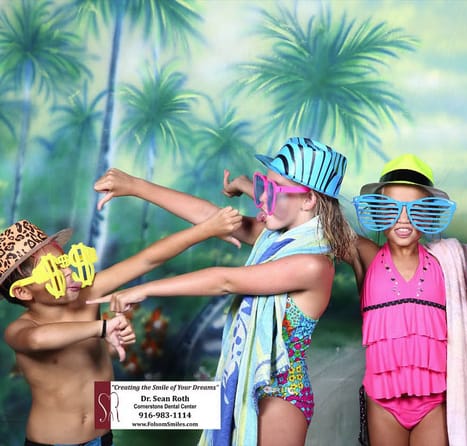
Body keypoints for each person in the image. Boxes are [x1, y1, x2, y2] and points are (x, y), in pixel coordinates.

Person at [89, 137, 355, 446]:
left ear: (308, 200)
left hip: (281, 396)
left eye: (273, 190)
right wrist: (135, 186)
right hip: (248, 385)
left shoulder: (312, 264)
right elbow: (212, 218)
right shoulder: (274, 239)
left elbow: (225, 280)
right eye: (262, 185)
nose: (261, 197)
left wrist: (145, 289)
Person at [1, 210, 241, 446]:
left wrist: (207, 229)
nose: (68, 272)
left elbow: (147, 259)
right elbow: (37, 339)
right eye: (53, 270)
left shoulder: (88, 294)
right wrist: (102, 328)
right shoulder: (20, 329)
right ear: (22, 291)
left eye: (65, 262)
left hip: (103, 437)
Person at [345, 154, 467, 446]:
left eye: (415, 209)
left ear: (430, 214)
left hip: (434, 405)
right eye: (391, 208)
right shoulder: (367, 255)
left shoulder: (447, 264)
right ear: (377, 211)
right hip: (382, 405)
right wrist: (261, 191)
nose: (403, 218)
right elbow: (316, 230)